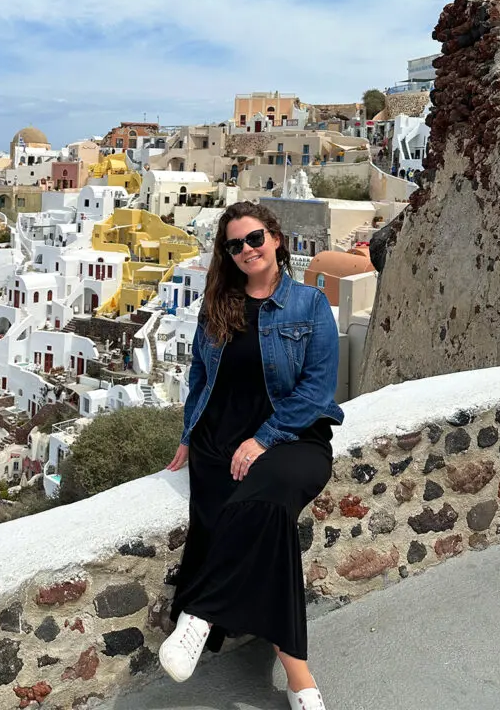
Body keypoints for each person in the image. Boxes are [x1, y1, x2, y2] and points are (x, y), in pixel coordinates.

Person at [160, 201, 343, 710]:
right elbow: (200, 375)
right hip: (218, 444)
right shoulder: (218, 305)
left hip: (295, 437)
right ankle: (299, 678)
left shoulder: (310, 305)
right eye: (234, 245)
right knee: (272, 523)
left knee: (266, 498)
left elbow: (316, 389)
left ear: (276, 239)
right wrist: (186, 433)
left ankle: (199, 613)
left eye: (255, 238)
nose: (246, 250)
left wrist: (264, 438)